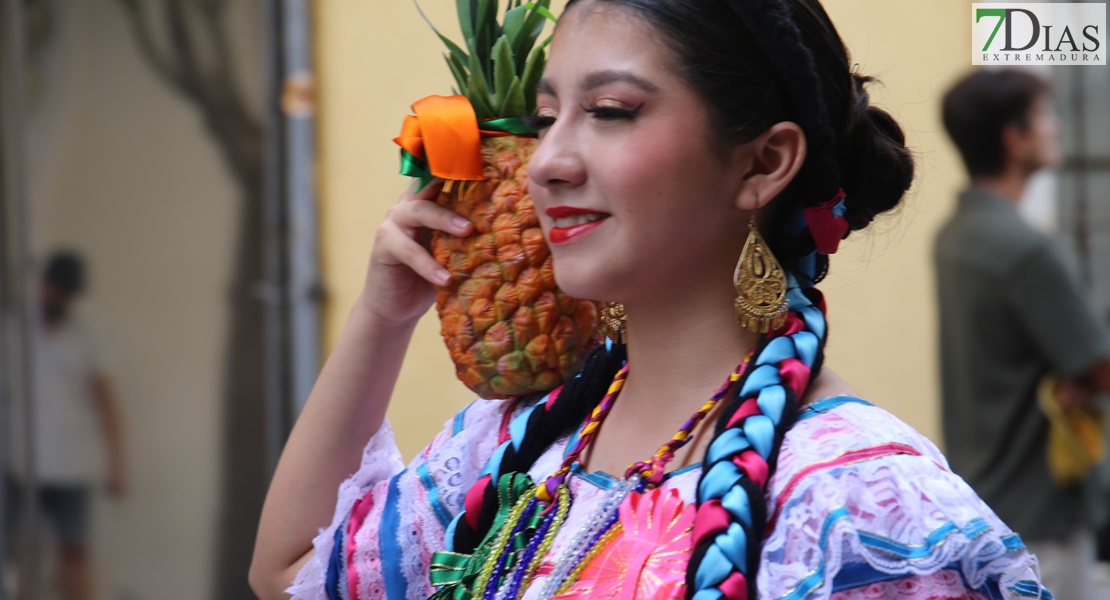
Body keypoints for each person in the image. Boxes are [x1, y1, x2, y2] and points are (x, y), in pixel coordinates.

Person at [252, 2, 1050, 599]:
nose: (545, 162)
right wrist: (382, 318)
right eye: (544, 116)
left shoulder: (850, 500)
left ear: (763, 163)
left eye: (609, 112)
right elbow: (293, 574)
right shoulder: (517, 439)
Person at [936, 68, 1110, 599]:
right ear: (1015, 139)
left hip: (986, 499)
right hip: (1042, 516)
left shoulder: (957, 235)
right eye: (1045, 116)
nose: (1056, 127)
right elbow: (1099, 367)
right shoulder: (1025, 248)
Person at [4, 251, 127, 600]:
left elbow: (107, 401)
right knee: (22, 553)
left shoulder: (86, 337)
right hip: (19, 461)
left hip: (70, 462)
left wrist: (117, 461)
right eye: (57, 289)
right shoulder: (13, 328)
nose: (60, 298)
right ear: (44, 285)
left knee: (73, 552)